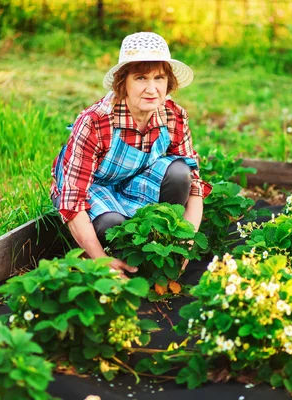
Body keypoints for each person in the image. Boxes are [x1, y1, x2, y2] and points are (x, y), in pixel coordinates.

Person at [50, 32, 212, 277]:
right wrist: (99, 259)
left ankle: (160, 244)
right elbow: (73, 200)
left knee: (181, 172)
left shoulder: (173, 116)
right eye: (140, 78)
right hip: (94, 187)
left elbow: (195, 186)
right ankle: (109, 258)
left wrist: (186, 242)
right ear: (122, 82)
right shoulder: (95, 121)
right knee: (111, 226)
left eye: (159, 77)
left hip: (134, 181)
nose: (152, 89)